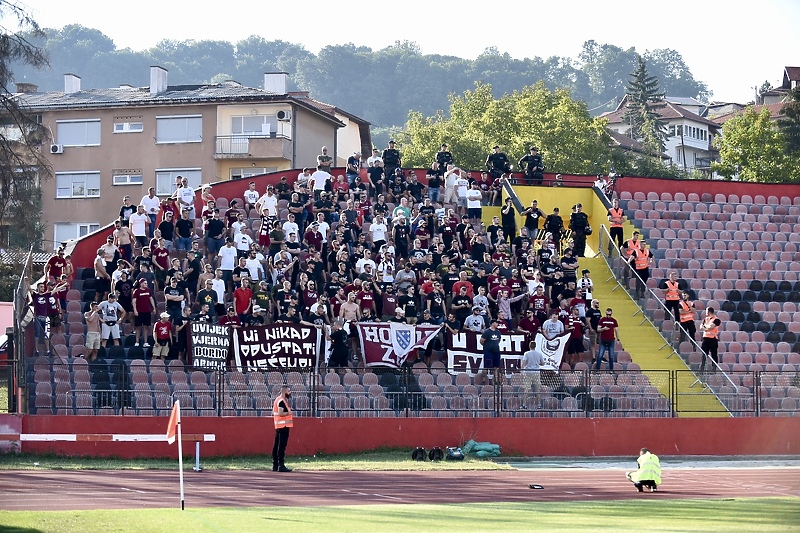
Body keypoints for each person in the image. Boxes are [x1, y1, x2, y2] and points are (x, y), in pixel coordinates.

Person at [272, 385, 293, 473]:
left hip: (279, 426)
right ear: (285, 391)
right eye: (289, 391)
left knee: (277, 445)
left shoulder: (278, 399)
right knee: (281, 446)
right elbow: (280, 413)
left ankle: (275, 465)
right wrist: (289, 412)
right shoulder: (281, 401)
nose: (290, 393)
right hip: (283, 426)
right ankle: (281, 465)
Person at [699, 307, 721, 373]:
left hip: (713, 339)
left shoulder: (717, 320)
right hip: (705, 338)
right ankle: (701, 369)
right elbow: (701, 327)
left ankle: (714, 369)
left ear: (709, 312)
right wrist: (706, 328)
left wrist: (705, 327)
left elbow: (711, 327)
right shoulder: (706, 319)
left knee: (714, 354)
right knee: (704, 354)